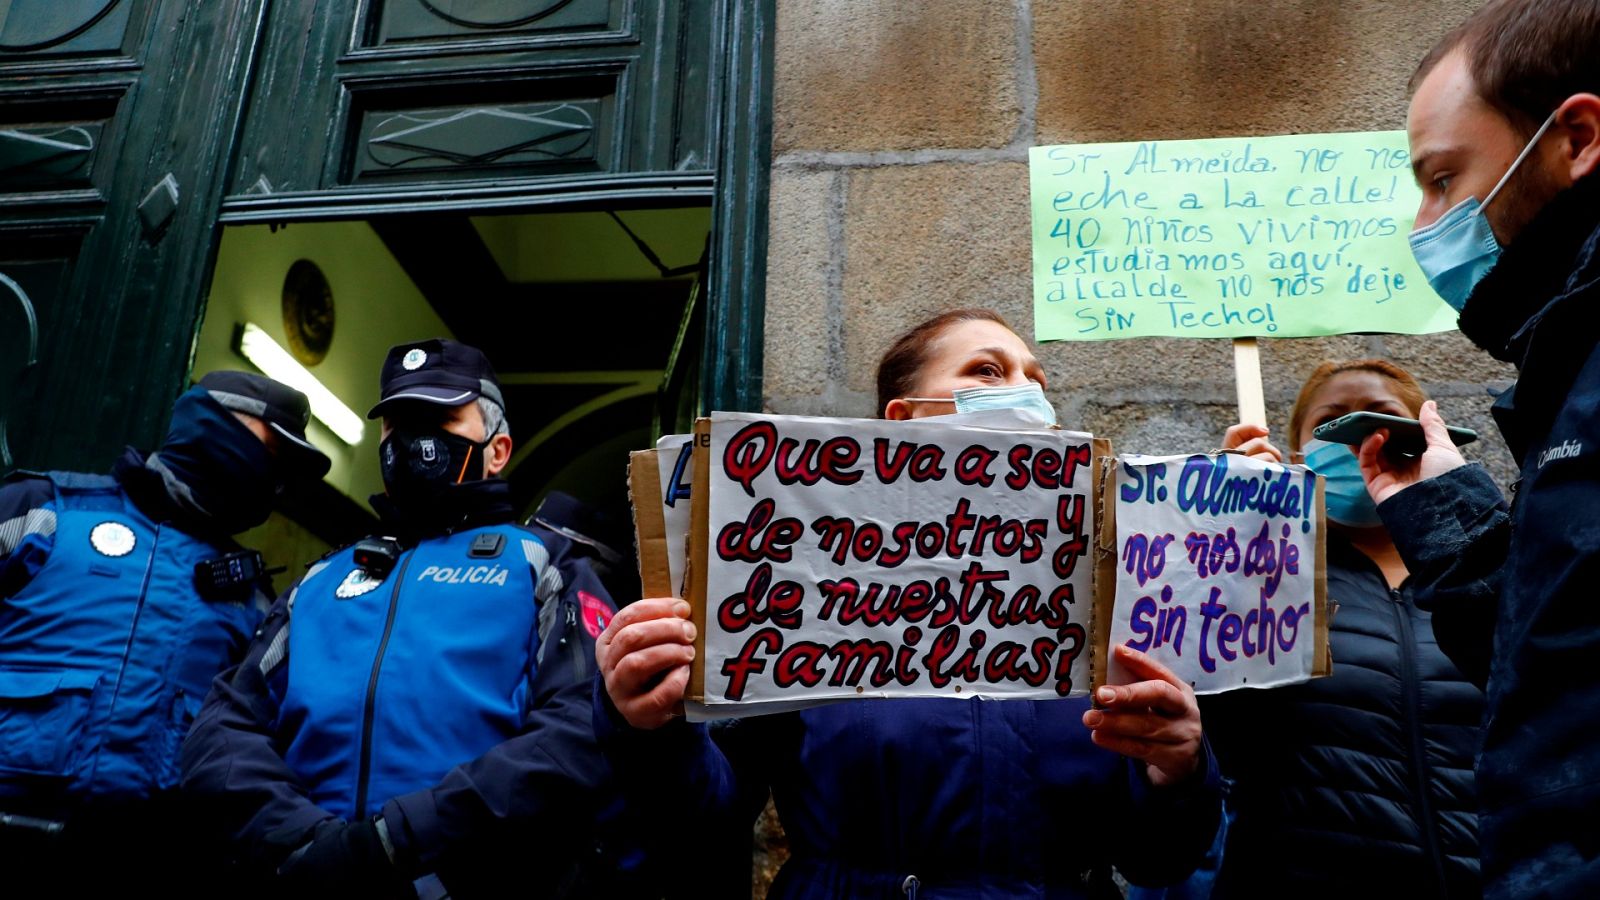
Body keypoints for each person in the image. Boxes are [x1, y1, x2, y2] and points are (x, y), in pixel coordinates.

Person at [595, 309, 1221, 898]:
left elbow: (1156, 860)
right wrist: (652, 731)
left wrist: (1178, 772)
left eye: (1036, 379)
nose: (1026, 391)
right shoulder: (797, 585)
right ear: (901, 419)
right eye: (987, 370)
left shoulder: (1102, 588)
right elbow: (700, 822)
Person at [181, 339, 620, 898]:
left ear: (498, 449)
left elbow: (585, 726)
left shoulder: (545, 567)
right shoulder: (322, 580)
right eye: (397, 423)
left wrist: (398, 839)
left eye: (441, 419)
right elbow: (222, 729)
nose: (413, 439)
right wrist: (301, 841)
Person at [1353, 2, 1600, 896]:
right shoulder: (1566, 369)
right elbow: (1551, 668)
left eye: (1444, 178)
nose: (1426, 224)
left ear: (1577, 139)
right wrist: (1447, 517)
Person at [0, 371, 330, 893]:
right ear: (216, 425)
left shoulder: (252, 602)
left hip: (147, 866)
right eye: (272, 449)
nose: (276, 478)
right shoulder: (42, 511)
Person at [1203, 360, 1483, 897]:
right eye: (1331, 423)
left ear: (1429, 437)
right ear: (1297, 457)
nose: (1358, 438)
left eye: (1382, 416)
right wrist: (1231, 538)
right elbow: (1216, 735)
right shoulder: (1271, 578)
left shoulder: (1481, 575)